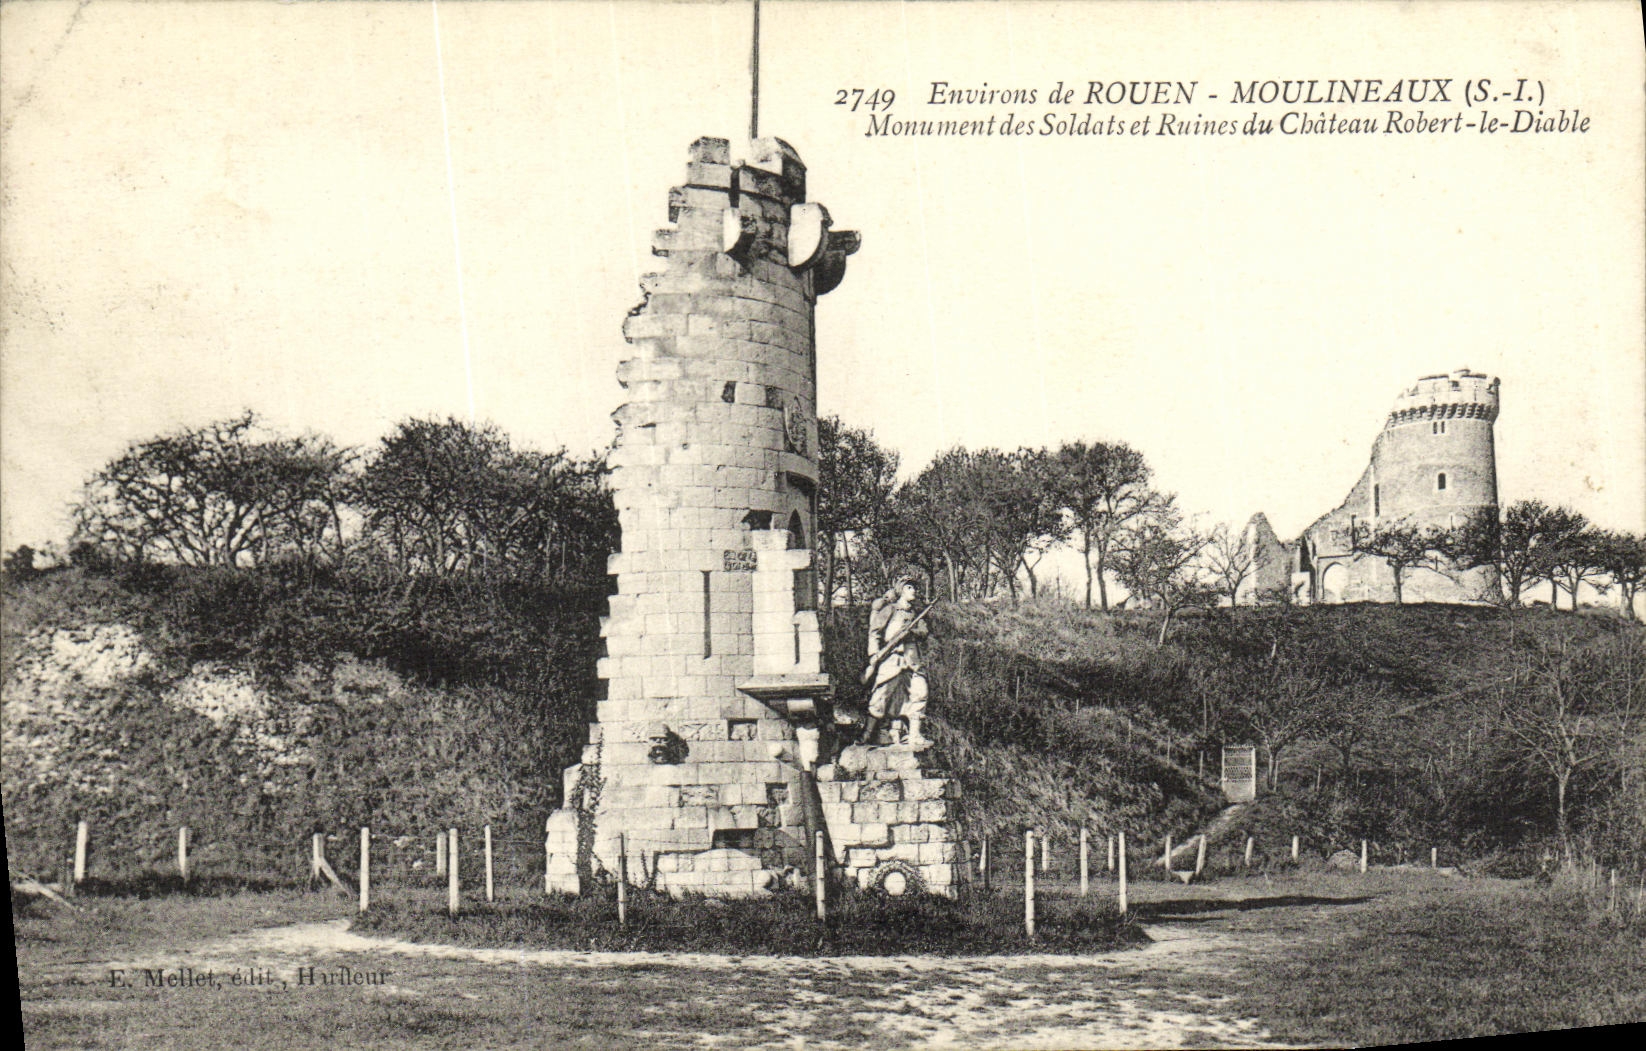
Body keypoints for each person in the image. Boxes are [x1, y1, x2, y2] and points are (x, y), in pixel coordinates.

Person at [863, 575, 931, 748]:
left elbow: (924, 632)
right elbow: (875, 632)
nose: (913, 590)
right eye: (909, 587)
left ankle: (914, 735)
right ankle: (869, 734)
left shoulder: (916, 613)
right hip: (891, 657)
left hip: (912, 659)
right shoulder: (891, 610)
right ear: (901, 590)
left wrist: (913, 632)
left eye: (915, 587)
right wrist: (874, 655)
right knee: (882, 694)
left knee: (920, 692)